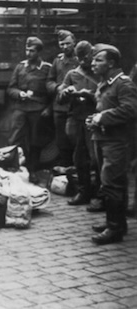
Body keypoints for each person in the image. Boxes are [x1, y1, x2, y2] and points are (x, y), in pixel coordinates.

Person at [85, 44, 137, 245]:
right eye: (93, 59)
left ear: (111, 63)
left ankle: (114, 228)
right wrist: (94, 119)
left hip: (117, 142)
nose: (93, 63)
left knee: (111, 183)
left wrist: (102, 118)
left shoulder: (123, 83)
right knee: (111, 182)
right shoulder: (105, 83)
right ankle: (116, 223)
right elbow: (104, 108)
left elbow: (130, 110)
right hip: (103, 138)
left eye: (98, 60)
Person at [57, 41, 100, 206]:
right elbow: (60, 98)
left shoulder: (99, 73)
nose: (83, 61)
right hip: (76, 120)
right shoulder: (72, 74)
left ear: (92, 55)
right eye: (79, 58)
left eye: (86, 57)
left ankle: (99, 194)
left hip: (94, 121)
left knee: (96, 159)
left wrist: (90, 95)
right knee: (79, 159)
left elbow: (106, 98)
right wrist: (66, 93)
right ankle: (83, 192)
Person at [7, 37, 52, 181]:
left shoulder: (47, 68)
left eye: (32, 51)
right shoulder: (20, 67)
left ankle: (32, 170)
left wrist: (49, 108)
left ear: (39, 52)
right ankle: (14, 168)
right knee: (15, 137)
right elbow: (11, 88)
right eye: (27, 50)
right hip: (20, 107)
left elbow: (52, 92)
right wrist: (19, 94)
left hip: (38, 108)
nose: (28, 53)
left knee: (35, 140)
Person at [47, 30, 80, 168]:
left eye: (68, 43)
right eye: (62, 44)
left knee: (77, 139)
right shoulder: (57, 61)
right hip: (60, 107)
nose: (65, 47)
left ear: (74, 42)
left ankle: (78, 168)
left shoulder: (80, 60)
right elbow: (49, 81)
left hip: (76, 106)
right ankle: (66, 168)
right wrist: (57, 88)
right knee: (62, 140)